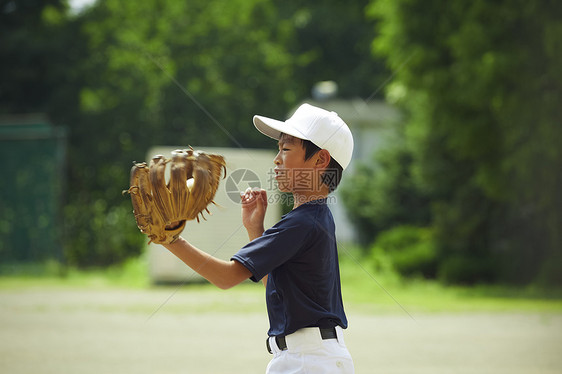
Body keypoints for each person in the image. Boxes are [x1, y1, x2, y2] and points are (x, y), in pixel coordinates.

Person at [162, 103, 355, 373]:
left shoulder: (302, 223)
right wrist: (255, 230)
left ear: (320, 160)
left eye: (286, 149)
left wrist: (169, 239)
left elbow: (227, 277)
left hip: (309, 361)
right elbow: (278, 288)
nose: (277, 159)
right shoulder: (314, 218)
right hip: (308, 358)